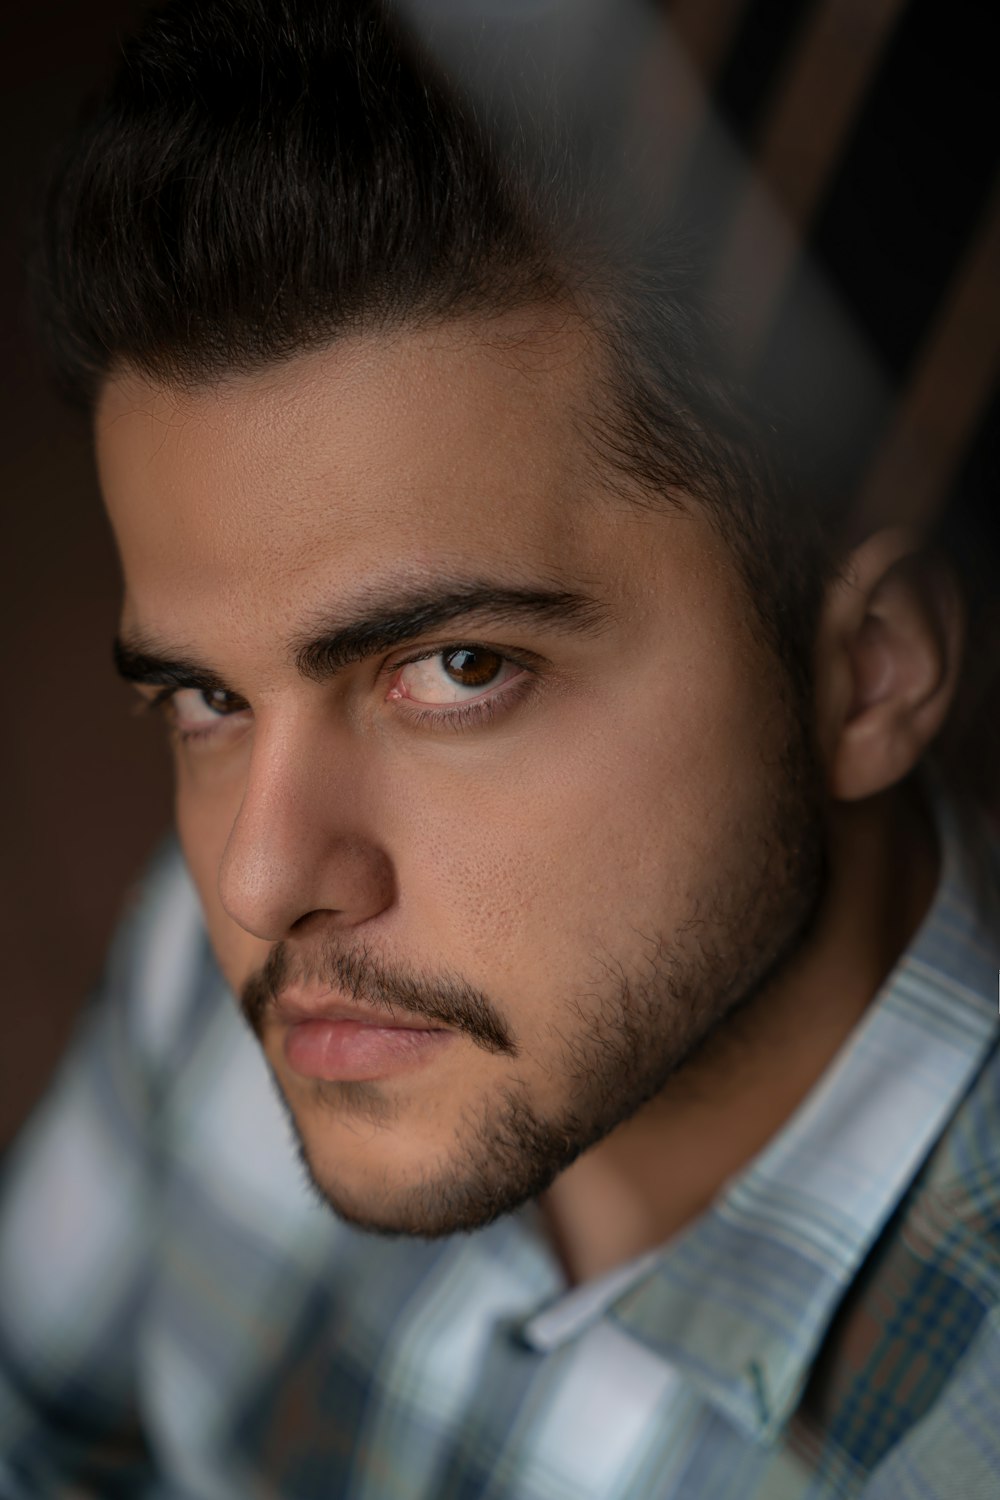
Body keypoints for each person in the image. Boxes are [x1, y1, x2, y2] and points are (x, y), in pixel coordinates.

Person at [1, 1, 998, 1495]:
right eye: (208, 701)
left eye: (456, 669)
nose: (263, 877)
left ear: (867, 673)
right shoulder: (265, 977)